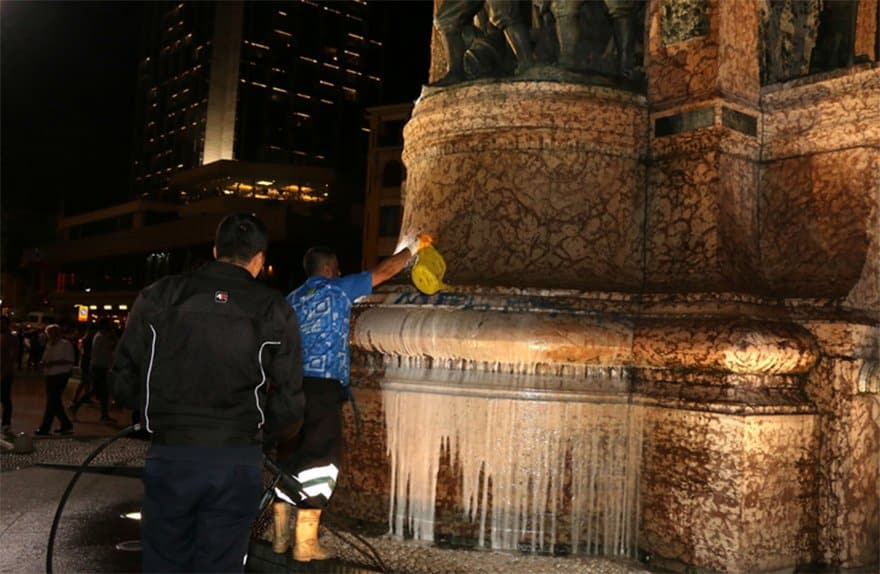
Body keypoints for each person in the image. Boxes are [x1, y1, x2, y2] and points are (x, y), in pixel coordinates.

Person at [110, 213, 304, 573]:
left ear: (215, 251)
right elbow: (290, 403)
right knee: (220, 564)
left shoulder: (159, 296)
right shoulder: (275, 309)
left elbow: (122, 378)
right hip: (236, 457)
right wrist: (265, 436)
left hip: (172, 453)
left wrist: (152, 415)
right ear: (260, 260)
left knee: (164, 561)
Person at [271, 233, 432, 562]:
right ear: (330, 268)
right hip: (323, 386)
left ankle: (278, 536)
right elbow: (384, 271)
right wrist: (415, 248)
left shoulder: (292, 297)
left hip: (290, 388)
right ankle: (305, 543)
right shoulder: (337, 289)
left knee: (293, 457)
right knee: (320, 461)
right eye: (338, 267)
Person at [71, 319, 117, 422]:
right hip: (99, 367)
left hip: (100, 366)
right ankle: (102, 415)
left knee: (100, 392)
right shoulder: (101, 337)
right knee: (100, 391)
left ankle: (103, 415)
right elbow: (110, 348)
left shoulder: (100, 336)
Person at [35, 324, 76, 436]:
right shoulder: (50, 345)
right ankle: (66, 424)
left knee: (52, 401)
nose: (51, 336)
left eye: (53, 333)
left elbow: (69, 360)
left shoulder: (65, 345)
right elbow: (45, 358)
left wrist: (53, 363)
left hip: (61, 374)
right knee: (55, 402)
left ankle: (45, 427)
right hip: (50, 375)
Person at [70, 323, 96, 411]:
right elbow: (84, 352)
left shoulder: (85, 339)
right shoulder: (88, 339)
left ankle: (85, 397)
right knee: (84, 381)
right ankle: (75, 398)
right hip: (86, 362)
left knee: (86, 382)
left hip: (85, 361)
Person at [1, 316, 20, 435]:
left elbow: (12, 357)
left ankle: (6, 423)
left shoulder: (12, 338)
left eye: (3, 323)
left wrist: (4, 372)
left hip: (5, 373)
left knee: (5, 398)